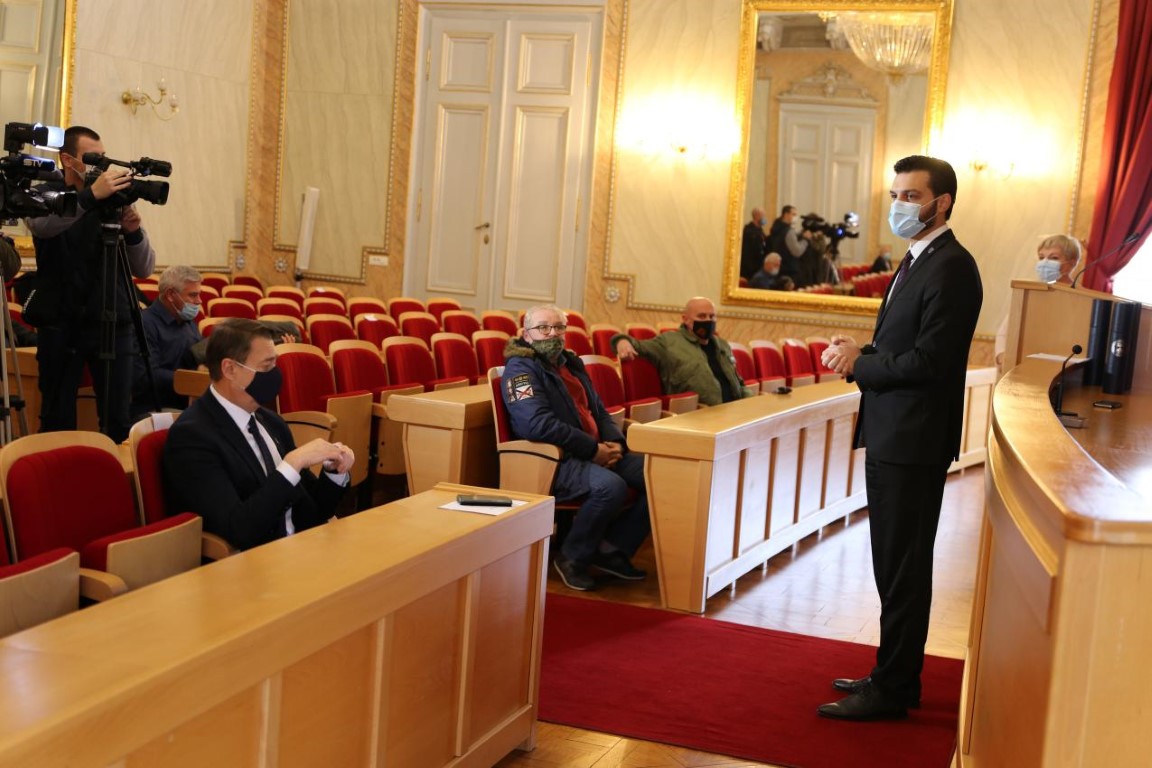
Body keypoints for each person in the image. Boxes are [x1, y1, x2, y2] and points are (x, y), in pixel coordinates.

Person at [819, 155, 981, 721]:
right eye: (895, 195)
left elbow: (931, 361)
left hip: (913, 440)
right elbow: (903, 347)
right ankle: (893, 674)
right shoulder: (918, 258)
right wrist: (862, 351)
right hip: (894, 433)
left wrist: (860, 365)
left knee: (903, 567)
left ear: (942, 203)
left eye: (911, 196)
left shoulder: (952, 266)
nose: (899, 206)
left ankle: (892, 689)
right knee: (892, 564)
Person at [162, 318, 354, 550]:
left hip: (302, 549)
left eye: (275, 365)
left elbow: (313, 511)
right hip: (252, 562)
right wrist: (292, 465)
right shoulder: (192, 437)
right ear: (229, 369)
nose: (275, 375)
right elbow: (238, 530)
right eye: (266, 367)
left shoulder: (271, 422)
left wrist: (333, 472)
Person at [502, 304, 650, 592]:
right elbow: (536, 424)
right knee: (611, 487)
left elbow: (599, 410)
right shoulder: (519, 370)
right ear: (526, 334)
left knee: (659, 474)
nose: (552, 333)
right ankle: (572, 557)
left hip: (595, 449)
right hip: (555, 458)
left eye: (558, 327)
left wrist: (614, 443)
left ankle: (611, 549)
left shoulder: (571, 363)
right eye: (543, 328)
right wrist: (593, 449)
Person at [24, 125, 155, 443]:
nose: (101, 165)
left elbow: (145, 267)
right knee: (57, 419)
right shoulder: (45, 193)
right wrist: (91, 197)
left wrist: (134, 231)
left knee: (118, 420)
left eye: (103, 157)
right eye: (92, 158)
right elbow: (42, 226)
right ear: (68, 160)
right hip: (61, 322)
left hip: (114, 321)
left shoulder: (114, 199)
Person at [612, 297, 756, 406]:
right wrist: (622, 341)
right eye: (701, 316)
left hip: (733, 412)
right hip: (696, 415)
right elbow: (637, 345)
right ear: (686, 319)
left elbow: (739, 383)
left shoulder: (722, 345)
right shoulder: (669, 342)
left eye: (712, 316)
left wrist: (752, 403)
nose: (708, 321)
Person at [132, 264, 204, 416]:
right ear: (170, 295)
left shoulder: (189, 322)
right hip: (155, 408)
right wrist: (192, 380)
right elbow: (147, 376)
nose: (199, 301)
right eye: (193, 295)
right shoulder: (145, 324)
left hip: (188, 403)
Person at [767, 205, 807, 282]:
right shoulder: (789, 231)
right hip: (789, 269)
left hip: (777, 267)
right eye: (793, 214)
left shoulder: (776, 228)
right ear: (786, 214)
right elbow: (797, 251)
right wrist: (805, 240)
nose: (795, 217)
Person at [740, 207, 768, 280]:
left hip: (758, 266)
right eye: (763, 216)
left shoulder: (760, 230)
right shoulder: (749, 232)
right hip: (750, 268)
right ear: (756, 216)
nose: (765, 219)